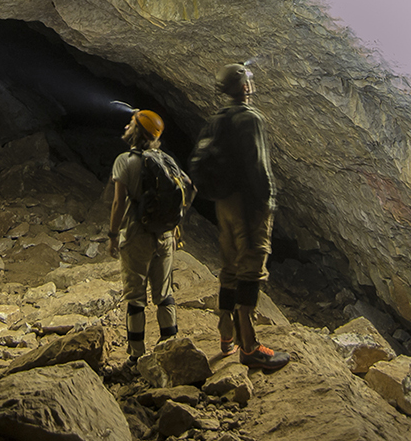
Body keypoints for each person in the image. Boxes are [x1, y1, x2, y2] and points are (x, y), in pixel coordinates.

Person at [206, 63, 291, 372]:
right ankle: (251, 346)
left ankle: (226, 334)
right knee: (251, 269)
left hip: (224, 204)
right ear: (244, 87)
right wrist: (268, 202)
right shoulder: (250, 118)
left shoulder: (217, 119)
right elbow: (259, 166)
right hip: (247, 206)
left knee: (229, 267)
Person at [106, 108, 192, 363]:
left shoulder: (124, 161)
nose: (126, 127)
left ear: (137, 132)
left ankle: (136, 357)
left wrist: (112, 235)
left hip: (136, 235)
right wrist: (174, 227)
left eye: (130, 124)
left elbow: (118, 203)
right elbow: (184, 193)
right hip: (165, 235)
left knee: (135, 298)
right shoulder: (166, 159)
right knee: (164, 293)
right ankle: (171, 346)